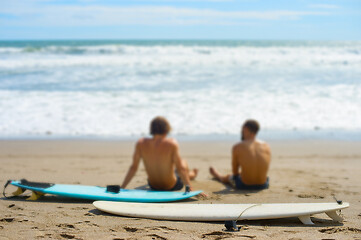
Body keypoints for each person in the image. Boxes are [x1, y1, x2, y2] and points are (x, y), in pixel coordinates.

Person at [121, 116, 199, 192]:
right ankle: (192, 175)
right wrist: (190, 188)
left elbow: (133, 168)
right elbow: (181, 168)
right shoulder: (171, 143)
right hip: (171, 186)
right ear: (166, 130)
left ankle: (191, 174)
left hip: (153, 186)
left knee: (175, 171)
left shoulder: (141, 143)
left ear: (152, 130)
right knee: (183, 162)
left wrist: (122, 188)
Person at [210, 119, 271, 190]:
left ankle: (219, 176)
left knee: (230, 176)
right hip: (263, 185)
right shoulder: (266, 146)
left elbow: (235, 173)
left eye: (242, 130)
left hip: (244, 185)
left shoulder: (237, 147)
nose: (241, 132)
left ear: (246, 129)